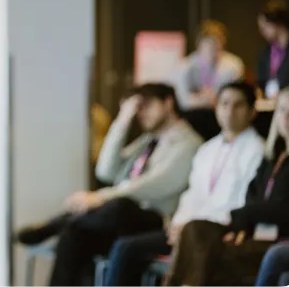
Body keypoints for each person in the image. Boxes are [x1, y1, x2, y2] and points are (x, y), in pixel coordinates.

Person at [16, 83, 203, 287]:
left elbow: (155, 184)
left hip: (157, 220)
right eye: (136, 108)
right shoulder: (148, 141)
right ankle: (65, 225)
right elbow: (106, 170)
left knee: (117, 205)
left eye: (146, 105)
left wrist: (100, 197)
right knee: (74, 235)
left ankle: (56, 224)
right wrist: (122, 120)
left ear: (168, 103)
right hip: (124, 222)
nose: (141, 113)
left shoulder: (189, 143)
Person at [103, 81, 265, 287]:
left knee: (190, 246)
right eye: (224, 104)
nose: (230, 111)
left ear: (252, 112)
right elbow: (193, 194)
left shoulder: (257, 151)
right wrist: (179, 224)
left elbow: (241, 202)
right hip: (187, 226)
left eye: (238, 105)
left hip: (218, 229)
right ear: (216, 108)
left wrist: (189, 227)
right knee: (126, 246)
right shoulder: (208, 149)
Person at [167, 84, 289, 287]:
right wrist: (240, 224)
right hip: (254, 236)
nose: (285, 116)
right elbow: (253, 195)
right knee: (196, 229)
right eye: (281, 110)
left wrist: (246, 215)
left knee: (205, 257)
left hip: (284, 240)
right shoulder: (272, 158)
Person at [174, 20, 245, 110]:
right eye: (208, 43)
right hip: (193, 113)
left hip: (224, 112)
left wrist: (216, 99)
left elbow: (236, 96)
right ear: (199, 44)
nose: (213, 47)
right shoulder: (185, 66)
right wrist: (200, 100)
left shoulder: (234, 65)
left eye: (217, 42)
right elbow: (182, 99)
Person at [256, 0, 289, 100]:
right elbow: (261, 81)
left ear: (277, 23)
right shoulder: (265, 52)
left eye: (264, 26)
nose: (262, 32)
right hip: (269, 102)